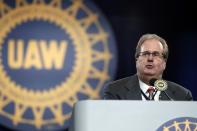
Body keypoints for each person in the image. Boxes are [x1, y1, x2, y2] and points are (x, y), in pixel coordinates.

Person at [103, 33, 193, 101]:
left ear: (164, 63)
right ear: (137, 59)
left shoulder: (182, 96)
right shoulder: (115, 91)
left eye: (156, 54)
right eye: (145, 54)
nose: (150, 58)